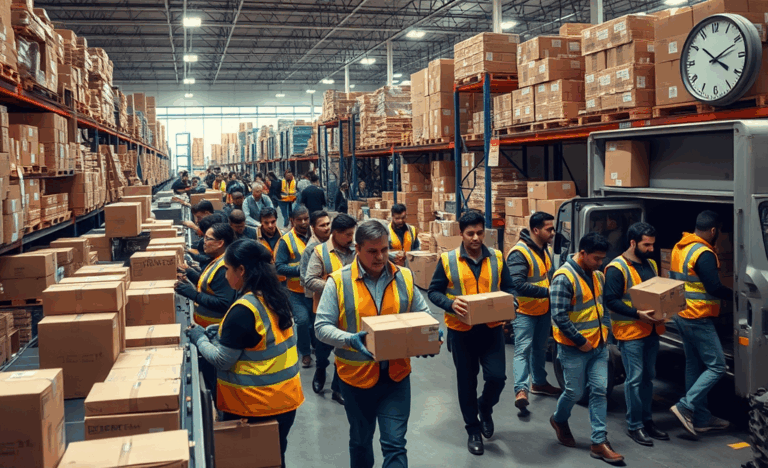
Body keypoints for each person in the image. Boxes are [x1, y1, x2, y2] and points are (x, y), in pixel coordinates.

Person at [315, 221, 435, 468]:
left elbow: (423, 314)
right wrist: (349, 339)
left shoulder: (404, 277)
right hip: (356, 380)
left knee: (395, 444)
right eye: (372, 251)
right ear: (357, 248)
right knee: (361, 441)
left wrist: (427, 336)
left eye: (384, 249)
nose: (380, 256)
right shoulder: (338, 281)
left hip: (396, 377)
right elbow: (321, 327)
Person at [186, 239, 304, 468]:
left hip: (255, 405)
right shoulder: (274, 295)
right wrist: (221, 330)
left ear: (240, 270)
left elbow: (222, 360)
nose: (225, 274)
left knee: (255, 462)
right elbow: (258, 337)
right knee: (275, 457)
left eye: (227, 269)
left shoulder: (243, 309)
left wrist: (199, 337)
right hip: (286, 399)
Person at [428, 211, 515, 456]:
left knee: (497, 377)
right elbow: (434, 291)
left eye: (479, 232)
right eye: (470, 233)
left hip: (491, 329)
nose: (476, 238)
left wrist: (512, 302)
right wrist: (450, 304)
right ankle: (473, 430)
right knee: (467, 382)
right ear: (461, 234)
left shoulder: (497, 257)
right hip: (461, 332)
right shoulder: (448, 260)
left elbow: (509, 287)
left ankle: (484, 406)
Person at [549, 232, 623, 464]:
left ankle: (599, 442)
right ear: (582, 253)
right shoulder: (564, 278)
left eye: (602, 258)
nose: (600, 263)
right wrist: (580, 341)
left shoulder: (598, 276)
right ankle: (559, 419)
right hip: (573, 348)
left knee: (600, 390)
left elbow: (602, 308)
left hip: (599, 346)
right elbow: (559, 316)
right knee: (575, 392)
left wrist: (607, 333)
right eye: (596, 258)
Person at [604, 222, 669, 446]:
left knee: (648, 377)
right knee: (635, 379)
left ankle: (647, 421)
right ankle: (634, 425)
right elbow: (611, 301)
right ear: (633, 243)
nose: (651, 249)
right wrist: (637, 314)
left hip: (651, 329)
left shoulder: (651, 263)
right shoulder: (617, 268)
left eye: (652, 244)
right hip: (630, 331)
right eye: (646, 245)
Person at [668, 210, 732, 436]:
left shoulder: (680, 247)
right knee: (717, 366)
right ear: (714, 230)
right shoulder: (704, 253)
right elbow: (714, 287)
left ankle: (701, 418)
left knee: (694, 365)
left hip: (681, 313)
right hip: (697, 316)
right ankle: (686, 406)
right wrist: (738, 296)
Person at [506, 212, 562, 412]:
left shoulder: (544, 249)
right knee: (523, 350)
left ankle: (539, 383)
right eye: (549, 229)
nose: (553, 232)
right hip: (524, 310)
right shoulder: (519, 253)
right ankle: (521, 390)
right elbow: (517, 284)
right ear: (536, 230)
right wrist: (549, 292)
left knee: (540, 348)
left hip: (543, 309)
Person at [302, 213, 356, 405]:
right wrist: (337, 286)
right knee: (323, 349)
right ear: (336, 233)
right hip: (325, 310)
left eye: (352, 234)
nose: (351, 238)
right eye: (348, 235)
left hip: (350, 310)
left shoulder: (355, 250)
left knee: (343, 349)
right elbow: (309, 280)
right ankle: (320, 369)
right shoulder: (319, 252)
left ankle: (337, 389)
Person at [176, 223, 238, 328]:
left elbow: (223, 303)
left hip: (215, 328)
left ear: (220, 243)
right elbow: (208, 284)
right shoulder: (217, 259)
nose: (204, 242)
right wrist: (189, 272)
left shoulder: (224, 267)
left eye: (208, 239)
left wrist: (193, 294)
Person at [274, 205, 314, 367]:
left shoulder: (316, 235)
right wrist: (301, 270)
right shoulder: (286, 241)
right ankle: (305, 352)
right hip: (295, 291)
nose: (303, 222)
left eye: (306, 218)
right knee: (302, 321)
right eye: (299, 220)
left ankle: (316, 346)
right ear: (292, 221)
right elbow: (279, 267)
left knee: (314, 322)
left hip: (316, 290)